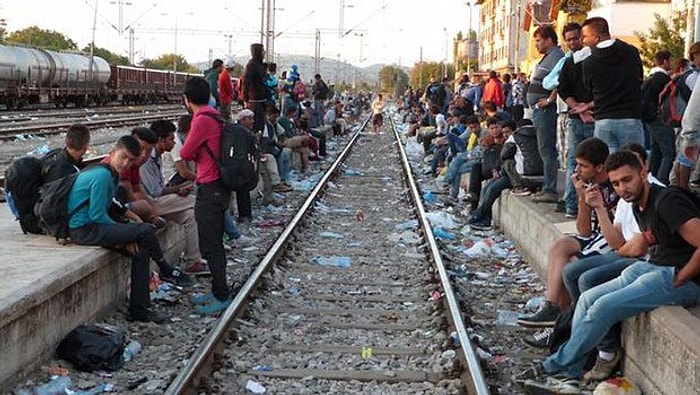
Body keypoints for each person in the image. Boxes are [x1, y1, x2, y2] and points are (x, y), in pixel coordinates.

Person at [521, 150, 700, 393]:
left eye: (627, 180)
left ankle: (554, 367)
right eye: (616, 183)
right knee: (586, 298)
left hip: (679, 277)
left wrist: (682, 277)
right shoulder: (637, 203)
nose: (622, 188)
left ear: (643, 173)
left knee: (603, 308)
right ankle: (571, 373)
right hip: (655, 266)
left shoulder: (666, 201)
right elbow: (626, 245)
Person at [69, 136, 173, 323]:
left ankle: (139, 310)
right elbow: (97, 215)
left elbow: (113, 208)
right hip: (84, 229)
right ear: (112, 153)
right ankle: (166, 268)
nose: (125, 163)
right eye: (123, 157)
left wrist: (127, 231)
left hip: (93, 226)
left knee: (141, 252)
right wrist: (127, 233)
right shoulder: (102, 176)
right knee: (145, 231)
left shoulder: (110, 174)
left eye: (131, 160)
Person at [517, 138, 618, 327]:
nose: (577, 171)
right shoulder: (590, 185)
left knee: (570, 265)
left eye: (583, 166)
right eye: (577, 165)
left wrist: (599, 206)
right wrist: (582, 197)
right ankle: (551, 308)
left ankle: (561, 323)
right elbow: (584, 231)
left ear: (599, 167)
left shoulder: (615, 186)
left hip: (613, 239)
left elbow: (613, 236)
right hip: (596, 237)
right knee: (560, 245)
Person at [180, 76, 233, 315]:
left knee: (210, 245)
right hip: (220, 186)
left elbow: (186, 151)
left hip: (209, 186)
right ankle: (216, 289)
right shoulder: (216, 114)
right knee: (215, 242)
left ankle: (221, 295)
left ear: (187, 100)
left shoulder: (201, 120)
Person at [139, 119, 203, 282]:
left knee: (190, 216)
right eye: (171, 139)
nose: (174, 142)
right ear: (161, 140)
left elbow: (159, 188)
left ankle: (193, 261)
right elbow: (154, 192)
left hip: (158, 201)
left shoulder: (157, 157)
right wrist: (177, 190)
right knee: (200, 201)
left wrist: (178, 190)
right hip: (149, 204)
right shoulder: (146, 159)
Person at [571, 17, 645, 152]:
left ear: (597, 38)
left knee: (606, 165)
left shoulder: (589, 62)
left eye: (585, 37)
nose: (583, 41)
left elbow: (590, 89)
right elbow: (639, 79)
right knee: (632, 162)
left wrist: (589, 104)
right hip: (630, 117)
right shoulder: (631, 52)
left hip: (603, 119)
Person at [557, 22, 595, 218]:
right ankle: (572, 205)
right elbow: (563, 89)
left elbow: (600, 89)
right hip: (577, 119)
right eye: (569, 39)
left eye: (576, 38)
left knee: (593, 164)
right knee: (575, 162)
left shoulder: (594, 59)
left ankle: (590, 206)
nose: (573, 42)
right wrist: (579, 109)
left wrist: (585, 108)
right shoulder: (569, 63)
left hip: (593, 119)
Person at [528, 25, 565, 204]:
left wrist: (549, 100)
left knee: (546, 148)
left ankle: (550, 189)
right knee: (544, 148)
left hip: (546, 110)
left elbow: (561, 80)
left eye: (538, 40)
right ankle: (546, 186)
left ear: (549, 39)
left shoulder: (557, 56)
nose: (536, 44)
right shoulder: (548, 57)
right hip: (539, 110)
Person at [242, 43, 268, 134]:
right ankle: (255, 143)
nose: (264, 52)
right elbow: (246, 82)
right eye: (262, 50)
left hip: (262, 98)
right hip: (255, 99)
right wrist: (245, 99)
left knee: (261, 124)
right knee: (256, 124)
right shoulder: (251, 65)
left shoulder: (260, 65)